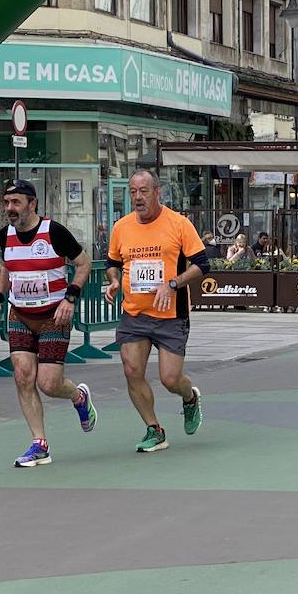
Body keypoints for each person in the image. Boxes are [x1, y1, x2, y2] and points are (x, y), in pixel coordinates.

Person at [0, 179, 98, 468]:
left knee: (48, 384)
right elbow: (5, 266)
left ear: (32, 203)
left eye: (16, 202)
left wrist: (70, 298)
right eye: (6, 202)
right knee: (23, 376)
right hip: (20, 315)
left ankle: (79, 396)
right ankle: (40, 444)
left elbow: (84, 264)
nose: (9, 208)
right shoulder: (5, 234)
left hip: (53, 316)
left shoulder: (54, 232)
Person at [105, 169, 211, 453]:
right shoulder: (121, 227)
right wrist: (114, 281)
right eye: (133, 192)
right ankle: (154, 429)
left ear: (157, 192)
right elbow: (112, 262)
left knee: (170, 379)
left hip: (170, 314)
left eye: (143, 191)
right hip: (135, 314)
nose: (138, 197)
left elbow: (203, 264)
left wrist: (173, 284)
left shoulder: (178, 224)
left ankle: (189, 398)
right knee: (132, 370)